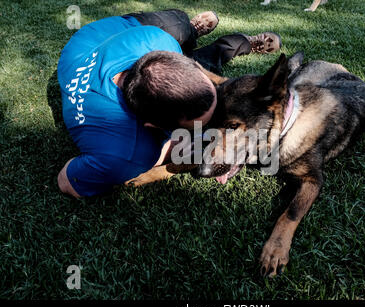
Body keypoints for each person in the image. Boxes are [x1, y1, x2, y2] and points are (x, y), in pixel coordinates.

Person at [57, 9, 282, 198]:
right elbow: (66, 181)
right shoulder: (128, 154)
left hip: (93, 40)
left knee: (180, 25)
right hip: (106, 52)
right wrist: (167, 151)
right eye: (198, 126)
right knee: (208, 59)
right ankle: (240, 43)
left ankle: (192, 30)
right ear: (153, 126)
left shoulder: (158, 40)